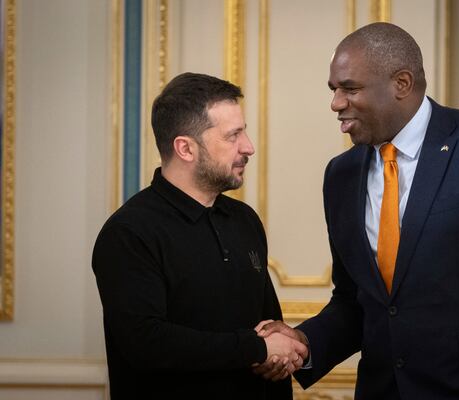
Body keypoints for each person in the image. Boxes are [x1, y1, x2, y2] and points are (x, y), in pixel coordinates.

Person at [257, 23, 459, 399]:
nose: (336, 103)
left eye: (350, 88)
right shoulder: (340, 175)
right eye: (334, 90)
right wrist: (305, 342)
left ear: (402, 84)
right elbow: (357, 302)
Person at [92, 73, 306, 399]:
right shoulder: (128, 233)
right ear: (186, 148)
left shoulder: (244, 220)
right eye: (233, 135)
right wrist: (255, 348)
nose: (248, 147)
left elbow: (268, 328)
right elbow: (145, 343)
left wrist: (279, 353)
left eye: (243, 131)